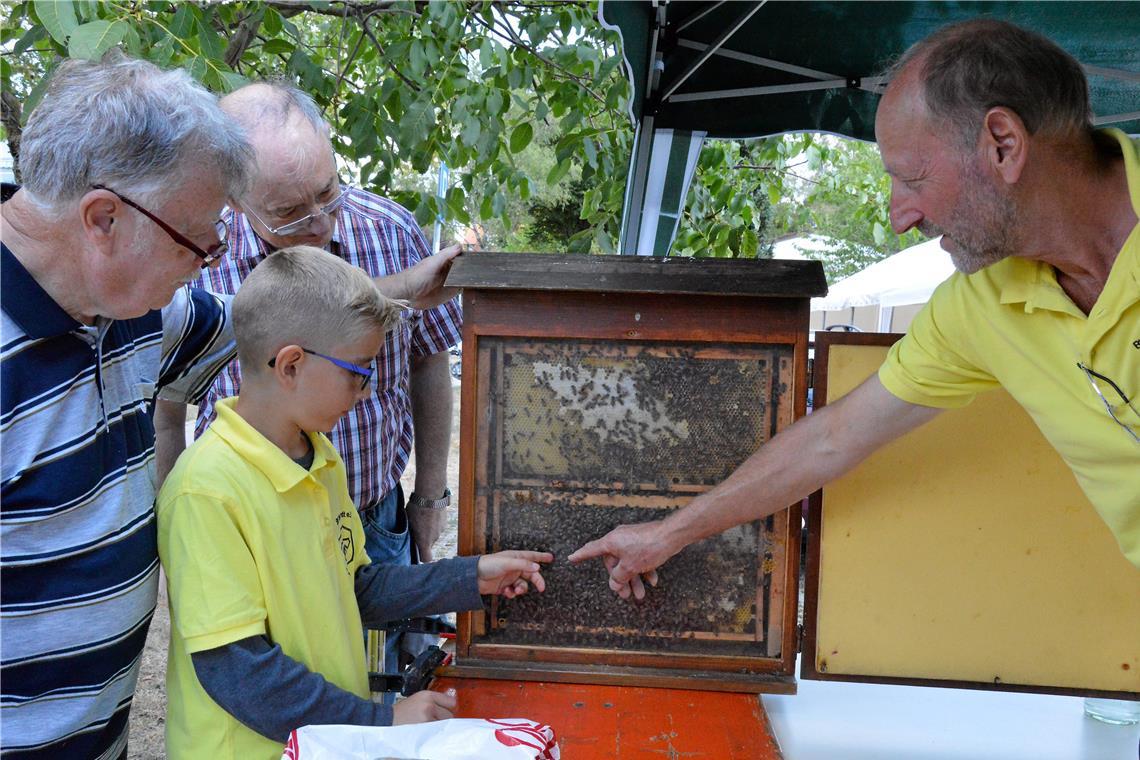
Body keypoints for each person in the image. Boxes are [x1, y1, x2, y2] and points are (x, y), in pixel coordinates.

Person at [569, 18, 1140, 599]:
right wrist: (665, 535)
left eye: (912, 178)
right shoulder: (978, 306)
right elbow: (833, 437)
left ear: (1003, 145)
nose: (900, 217)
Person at [0, 56, 459, 760]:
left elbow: (293, 325)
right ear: (103, 219)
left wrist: (402, 289)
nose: (213, 257)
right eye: (199, 238)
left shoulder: (145, 310)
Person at [156, 245, 552, 760]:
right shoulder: (206, 490)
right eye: (358, 371)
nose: (366, 392)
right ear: (291, 365)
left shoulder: (320, 458)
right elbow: (239, 672)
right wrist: (381, 720)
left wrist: (471, 577)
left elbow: (355, 587)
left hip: (326, 743)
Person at [153, 80, 462, 678]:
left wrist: (428, 496)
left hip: (371, 516)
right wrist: (175, 542)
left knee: (377, 675)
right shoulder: (195, 257)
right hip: (252, 525)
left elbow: (429, 362)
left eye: (328, 193)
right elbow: (167, 406)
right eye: (290, 212)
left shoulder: (390, 231)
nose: (319, 224)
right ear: (235, 198)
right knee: (279, 678)